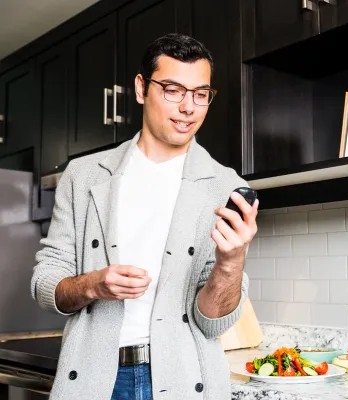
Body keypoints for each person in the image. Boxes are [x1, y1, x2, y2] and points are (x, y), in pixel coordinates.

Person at [31, 33, 258, 400]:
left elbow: (213, 320)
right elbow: (45, 281)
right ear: (141, 88)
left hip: (185, 379)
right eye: (173, 90)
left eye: (201, 94)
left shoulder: (225, 186)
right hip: (93, 378)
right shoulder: (84, 175)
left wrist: (232, 262)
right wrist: (94, 285)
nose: (188, 107)